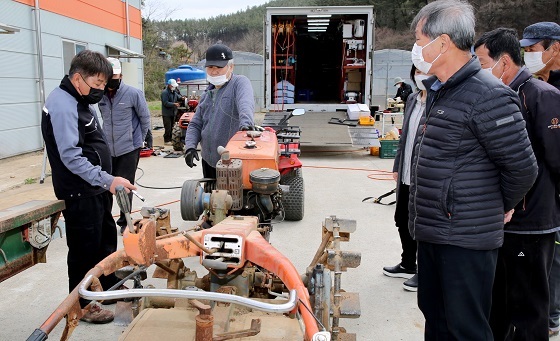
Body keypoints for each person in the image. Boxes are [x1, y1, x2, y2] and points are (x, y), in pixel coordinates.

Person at [409, 1, 538, 339]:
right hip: (435, 233)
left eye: (419, 39)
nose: (416, 48)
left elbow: (522, 168)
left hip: (466, 240)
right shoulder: (443, 91)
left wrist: (494, 205)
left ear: (442, 42)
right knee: (437, 322)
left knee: (466, 329)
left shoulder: (488, 95)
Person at [474, 27, 560, 341]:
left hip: (530, 224)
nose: (478, 69)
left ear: (505, 63)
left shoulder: (541, 97)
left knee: (529, 304)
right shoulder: (498, 95)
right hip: (502, 223)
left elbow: (554, 159)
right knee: (499, 301)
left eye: (482, 63)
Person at [41, 50, 136, 323]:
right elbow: (70, 156)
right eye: (97, 85)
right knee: (84, 251)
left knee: (104, 243)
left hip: (95, 187)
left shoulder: (80, 98)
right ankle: (82, 305)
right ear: (78, 78)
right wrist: (108, 179)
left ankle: (106, 288)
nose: (101, 91)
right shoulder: (62, 103)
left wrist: (107, 180)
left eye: (104, 85)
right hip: (79, 191)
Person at [522, 22, 560, 338]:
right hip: (540, 190)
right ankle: (549, 313)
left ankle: (551, 315)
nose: (528, 56)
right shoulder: (534, 84)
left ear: (554, 47)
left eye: (533, 50)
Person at [383, 65, 428, 292]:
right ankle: (408, 263)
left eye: (424, 71)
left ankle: (425, 272)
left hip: (425, 176)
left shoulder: (440, 101)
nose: (420, 76)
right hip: (406, 172)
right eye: (417, 71)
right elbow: (404, 138)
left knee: (422, 224)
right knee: (402, 219)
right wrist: (397, 165)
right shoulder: (412, 99)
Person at [184, 43, 254, 179]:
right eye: (210, 67)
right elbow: (195, 124)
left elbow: (245, 103)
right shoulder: (206, 94)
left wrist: (246, 124)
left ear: (231, 67)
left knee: (230, 199)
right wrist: (190, 146)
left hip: (230, 162)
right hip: (208, 161)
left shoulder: (239, 83)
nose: (214, 71)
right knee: (210, 198)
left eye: (219, 67)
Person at [99, 57, 150, 235]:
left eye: (114, 75)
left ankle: (124, 220)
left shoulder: (133, 93)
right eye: (108, 76)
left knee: (125, 186)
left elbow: (145, 118)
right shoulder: (101, 95)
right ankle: (105, 221)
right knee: (106, 185)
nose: (111, 79)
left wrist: (139, 141)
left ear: (120, 74)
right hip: (108, 148)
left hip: (129, 148)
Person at [519, 22, 560, 88]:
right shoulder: (530, 88)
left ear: (555, 49)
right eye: (526, 50)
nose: (527, 55)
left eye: (532, 49)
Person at [161, 78, 180, 145]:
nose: (174, 87)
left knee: (172, 126)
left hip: (172, 113)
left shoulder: (174, 92)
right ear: (169, 85)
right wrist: (174, 104)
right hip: (166, 113)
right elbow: (165, 103)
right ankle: (166, 140)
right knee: (168, 127)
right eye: (173, 86)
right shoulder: (165, 93)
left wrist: (182, 98)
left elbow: (178, 97)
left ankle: (171, 139)